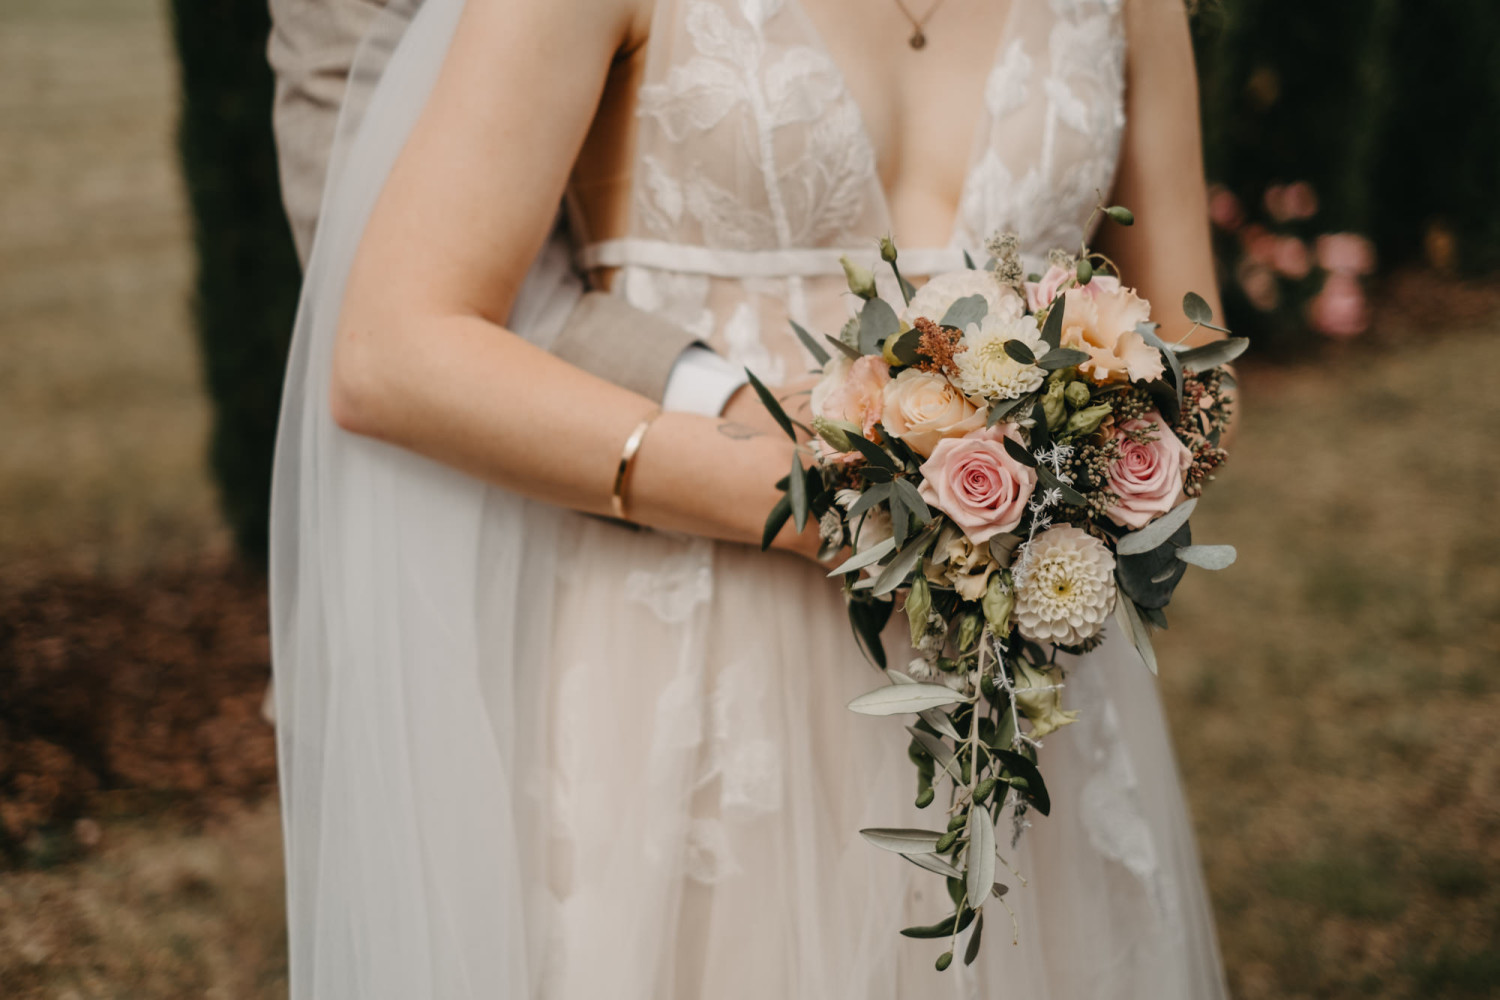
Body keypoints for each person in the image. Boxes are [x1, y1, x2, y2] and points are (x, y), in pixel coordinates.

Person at [267, 0, 1231, 997]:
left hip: (1012, 681)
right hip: (693, 655)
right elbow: (392, 350)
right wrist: (800, 493)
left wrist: (1077, 459)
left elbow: (1201, 368)